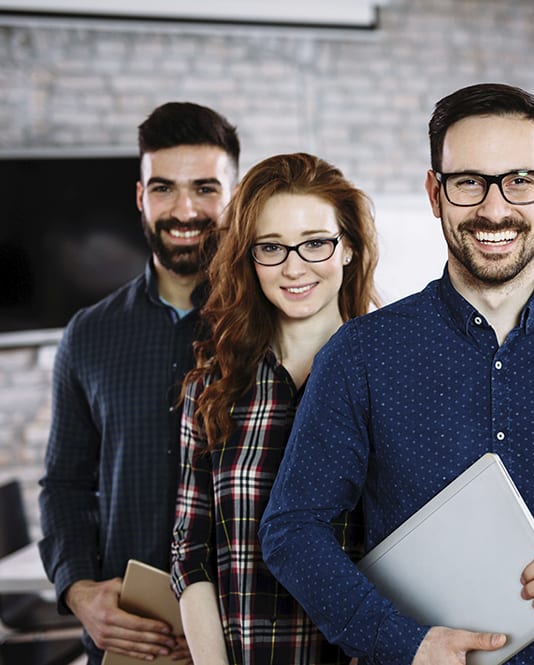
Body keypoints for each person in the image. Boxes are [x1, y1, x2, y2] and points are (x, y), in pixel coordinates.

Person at [258, 82, 534, 665]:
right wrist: (402, 642)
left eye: (520, 180)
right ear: (435, 192)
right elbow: (293, 528)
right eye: (468, 181)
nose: (494, 210)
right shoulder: (361, 353)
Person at [38, 101, 240, 664]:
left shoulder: (272, 324)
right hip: (131, 644)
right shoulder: (89, 334)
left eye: (205, 188)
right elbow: (66, 485)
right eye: (164, 188)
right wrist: (78, 591)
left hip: (250, 642)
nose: (184, 209)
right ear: (140, 197)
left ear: (235, 195)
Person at [169, 153, 378, 664]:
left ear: (347, 248)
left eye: (315, 243)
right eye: (271, 247)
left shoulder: (392, 381)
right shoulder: (213, 388)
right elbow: (190, 555)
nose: (294, 266)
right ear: (249, 256)